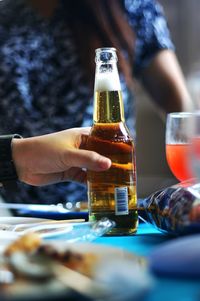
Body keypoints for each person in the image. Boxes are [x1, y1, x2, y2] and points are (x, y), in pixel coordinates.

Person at [0, 0, 193, 206]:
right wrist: (14, 156)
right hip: (13, 209)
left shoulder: (130, 7)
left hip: (104, 200)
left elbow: (177, 104)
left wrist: (192, 170)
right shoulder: (5, 15)